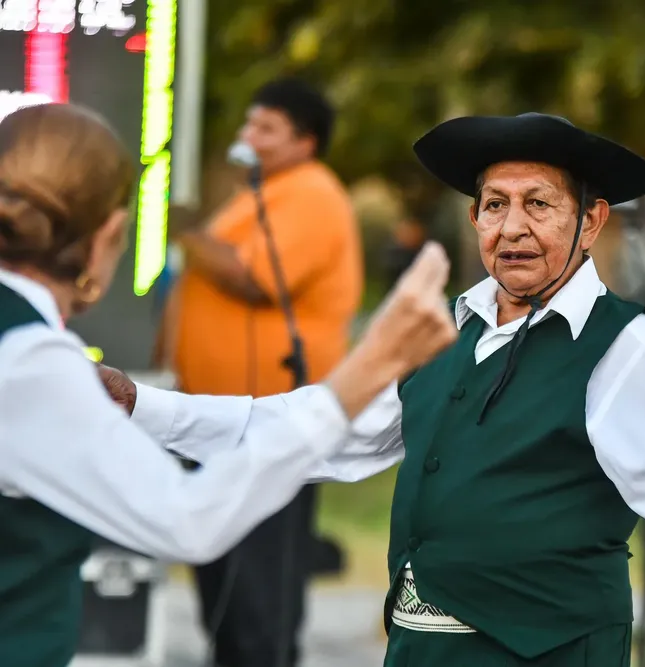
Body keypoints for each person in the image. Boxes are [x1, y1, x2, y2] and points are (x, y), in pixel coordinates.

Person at [103, 112, 645, 666]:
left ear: (591, 221)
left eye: (540, 203)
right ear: (474, 220)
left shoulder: (630, 345)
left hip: (550, 653)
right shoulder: (439, 330)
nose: (513, 227)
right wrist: (143, 405)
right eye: (494, 204)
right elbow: (312, 428)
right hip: (422, 650)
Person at [0, 103, 456, 667]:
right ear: (109, 236)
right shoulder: (28, 358)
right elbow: (187, 520)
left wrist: (143, 403)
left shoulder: (306, 195)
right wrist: (363, 375)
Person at [158, 78, 364, 667]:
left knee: (258, 599)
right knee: (224, 589)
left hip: (270, 422)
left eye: (266, 127)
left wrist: (188, 235)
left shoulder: (312, 192)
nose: (249, 137)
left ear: (306, 141)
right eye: (249, 124)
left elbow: (256, 278)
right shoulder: (259, 193)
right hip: (218, 421)